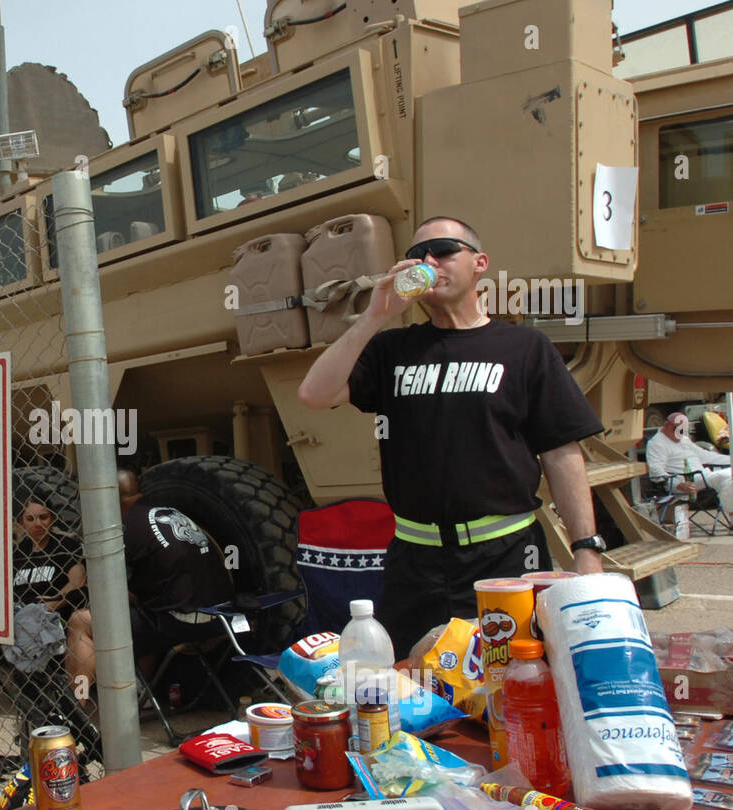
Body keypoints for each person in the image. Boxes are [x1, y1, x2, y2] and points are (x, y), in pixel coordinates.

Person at [298, 216, 605, 658]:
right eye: (416, 255)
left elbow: (561, 452)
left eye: (443, 250)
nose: (427, 261)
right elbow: (314, 393)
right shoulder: (393, 350)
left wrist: (586, 549)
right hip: (414, 561)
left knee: (507, 685)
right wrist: (375, 316)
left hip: (505, 557)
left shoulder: (524, 348)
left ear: (479, 263)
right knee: (412, 686)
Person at [0, 498, 93, 690]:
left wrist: (53, 603)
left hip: (46, 616)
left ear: (52, 519)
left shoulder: (64, 546)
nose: (38, 523)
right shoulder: (18, 552)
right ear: (22, 523)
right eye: (30, 519)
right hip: (14, 615)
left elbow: (76, 582)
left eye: (43, 517)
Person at [118, 469, 234, 679]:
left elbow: (107, 586)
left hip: (184, 622)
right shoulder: (168, 511)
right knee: (144, 609)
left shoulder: (126, 526)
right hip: (223, 616)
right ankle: (139, 694)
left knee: (84, 620)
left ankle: (93, 702)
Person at [646, 412, 731, 515]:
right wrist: (678, 485)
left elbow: (707, 456)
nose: (679, 434)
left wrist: (730, 460)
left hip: (702, 476)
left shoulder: (684, 440)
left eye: (683, 431)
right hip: (686, 481)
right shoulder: (656, 443)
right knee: (728, 477)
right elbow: (656, 471)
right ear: (667, 425)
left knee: (728, 477)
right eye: (678, 430)